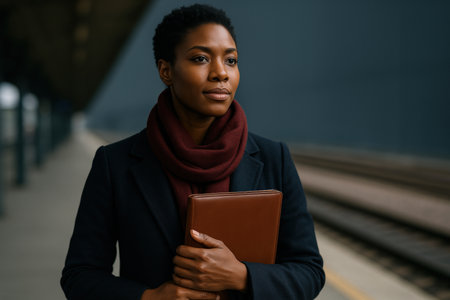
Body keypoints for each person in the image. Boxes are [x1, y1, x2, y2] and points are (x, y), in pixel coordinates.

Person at [61, 4, 325, 300]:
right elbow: (79, 276)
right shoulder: (116, 164)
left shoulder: (272, 158)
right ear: (166, 71)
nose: (221, 73)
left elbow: (310, 271)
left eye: (231, 60)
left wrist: (242, 276)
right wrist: (150, 298)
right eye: (200, 58)